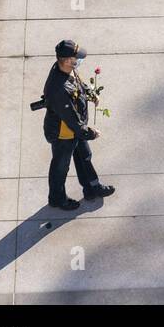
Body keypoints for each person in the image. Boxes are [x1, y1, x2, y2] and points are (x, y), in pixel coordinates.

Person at [43, 40, 114, 210]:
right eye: (76, 58)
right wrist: (90, 133)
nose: (79, 60)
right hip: (64, 134)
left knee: (84, 156)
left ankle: (91, 188)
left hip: (75, 129)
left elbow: (79, 85)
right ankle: (57, 198)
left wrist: (90, 94)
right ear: (67, 60)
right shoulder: (57, 88)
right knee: (60, 167)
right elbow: (71, 121)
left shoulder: (69, 69)